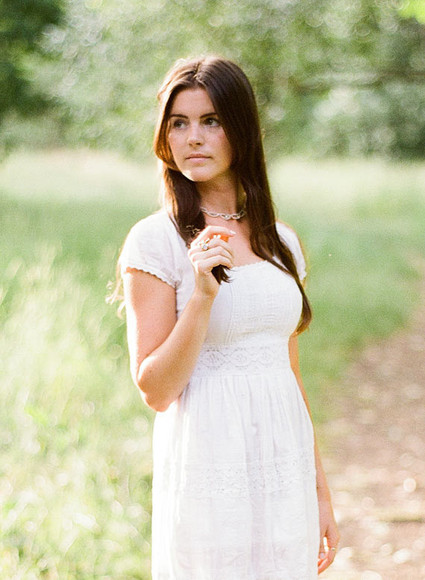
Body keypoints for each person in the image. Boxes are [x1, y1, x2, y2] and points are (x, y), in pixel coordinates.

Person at [116, 56, 339, 579]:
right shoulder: (155, 240)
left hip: (282, 467)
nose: (193, 137)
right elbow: (155, 390)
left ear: (241, 128)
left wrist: (320, 491)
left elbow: (290, 374)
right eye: (179, 123)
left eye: (210, 120)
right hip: (209, 469)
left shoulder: (280, 241)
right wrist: (201, 296)